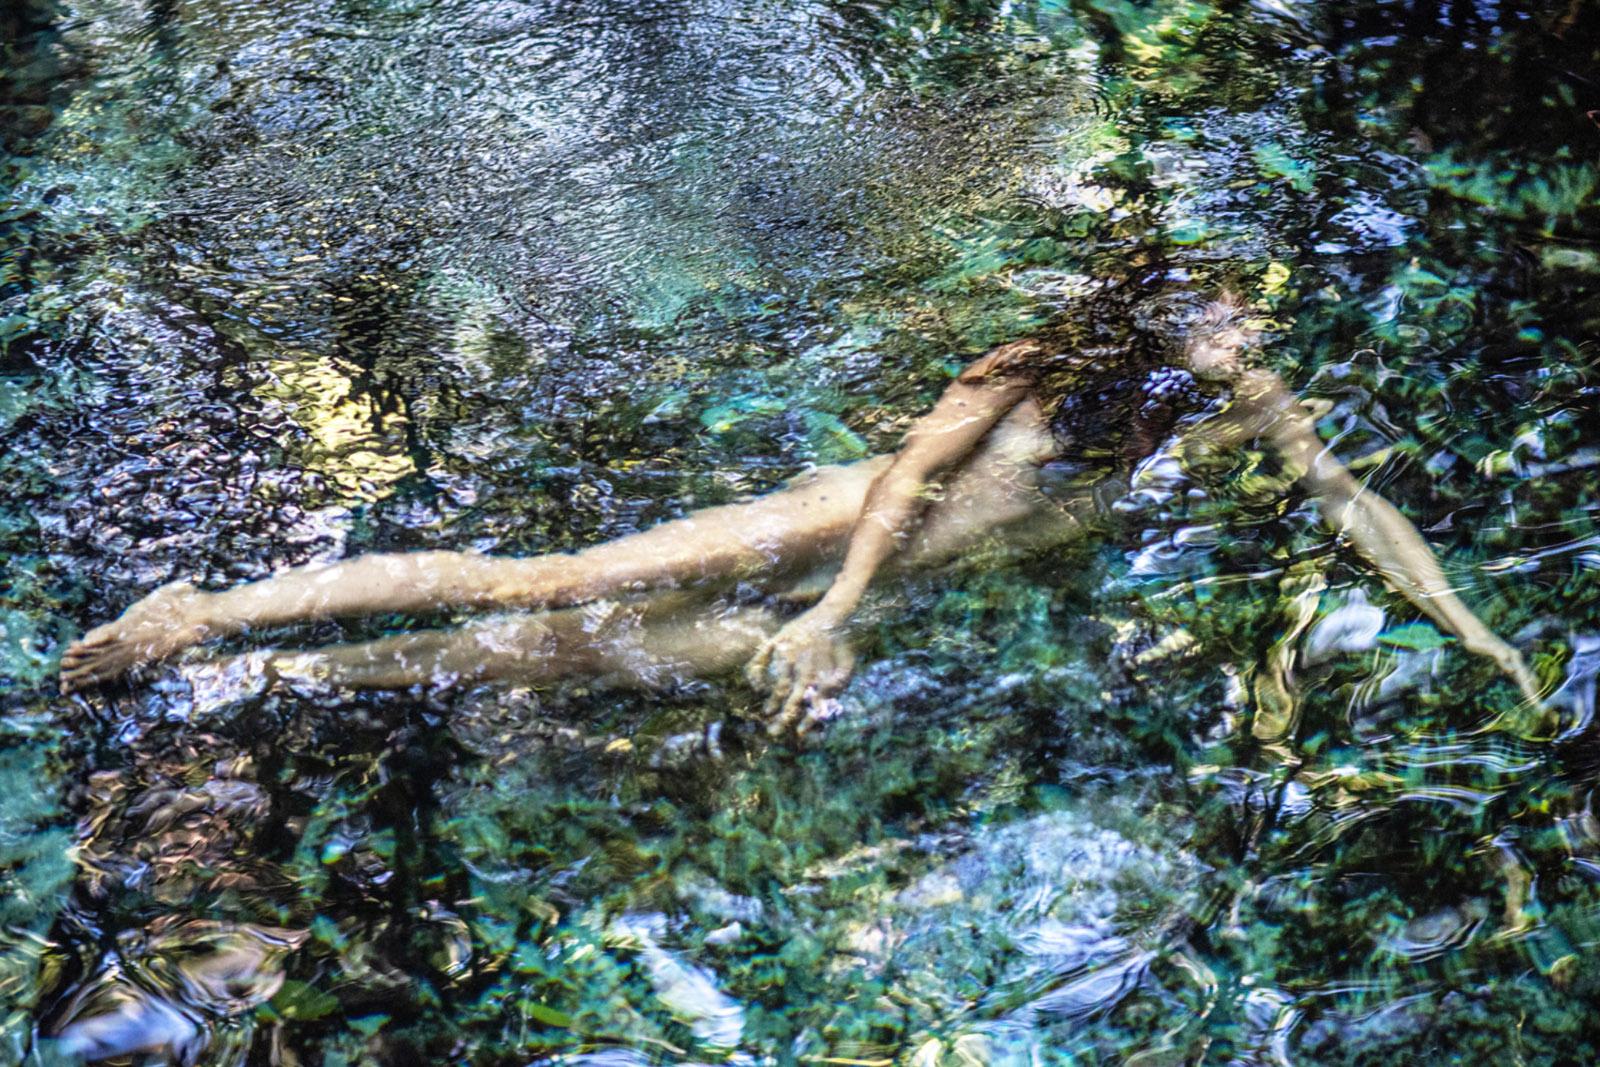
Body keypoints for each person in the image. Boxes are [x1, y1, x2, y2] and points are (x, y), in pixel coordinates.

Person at [59, 295, 1542, 733]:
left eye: (1245, 321)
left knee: (587, 657)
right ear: (1163, 313)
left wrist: (1467, 624)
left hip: (880, 600)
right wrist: (831, 609)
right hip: (829, 543)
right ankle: (214, 612)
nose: (1238, 333)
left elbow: (1353, 506)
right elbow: (906, 478)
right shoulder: (1043, 361)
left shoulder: (1244, 405)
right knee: (546, 584)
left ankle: (282, 675)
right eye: (1216, 314)